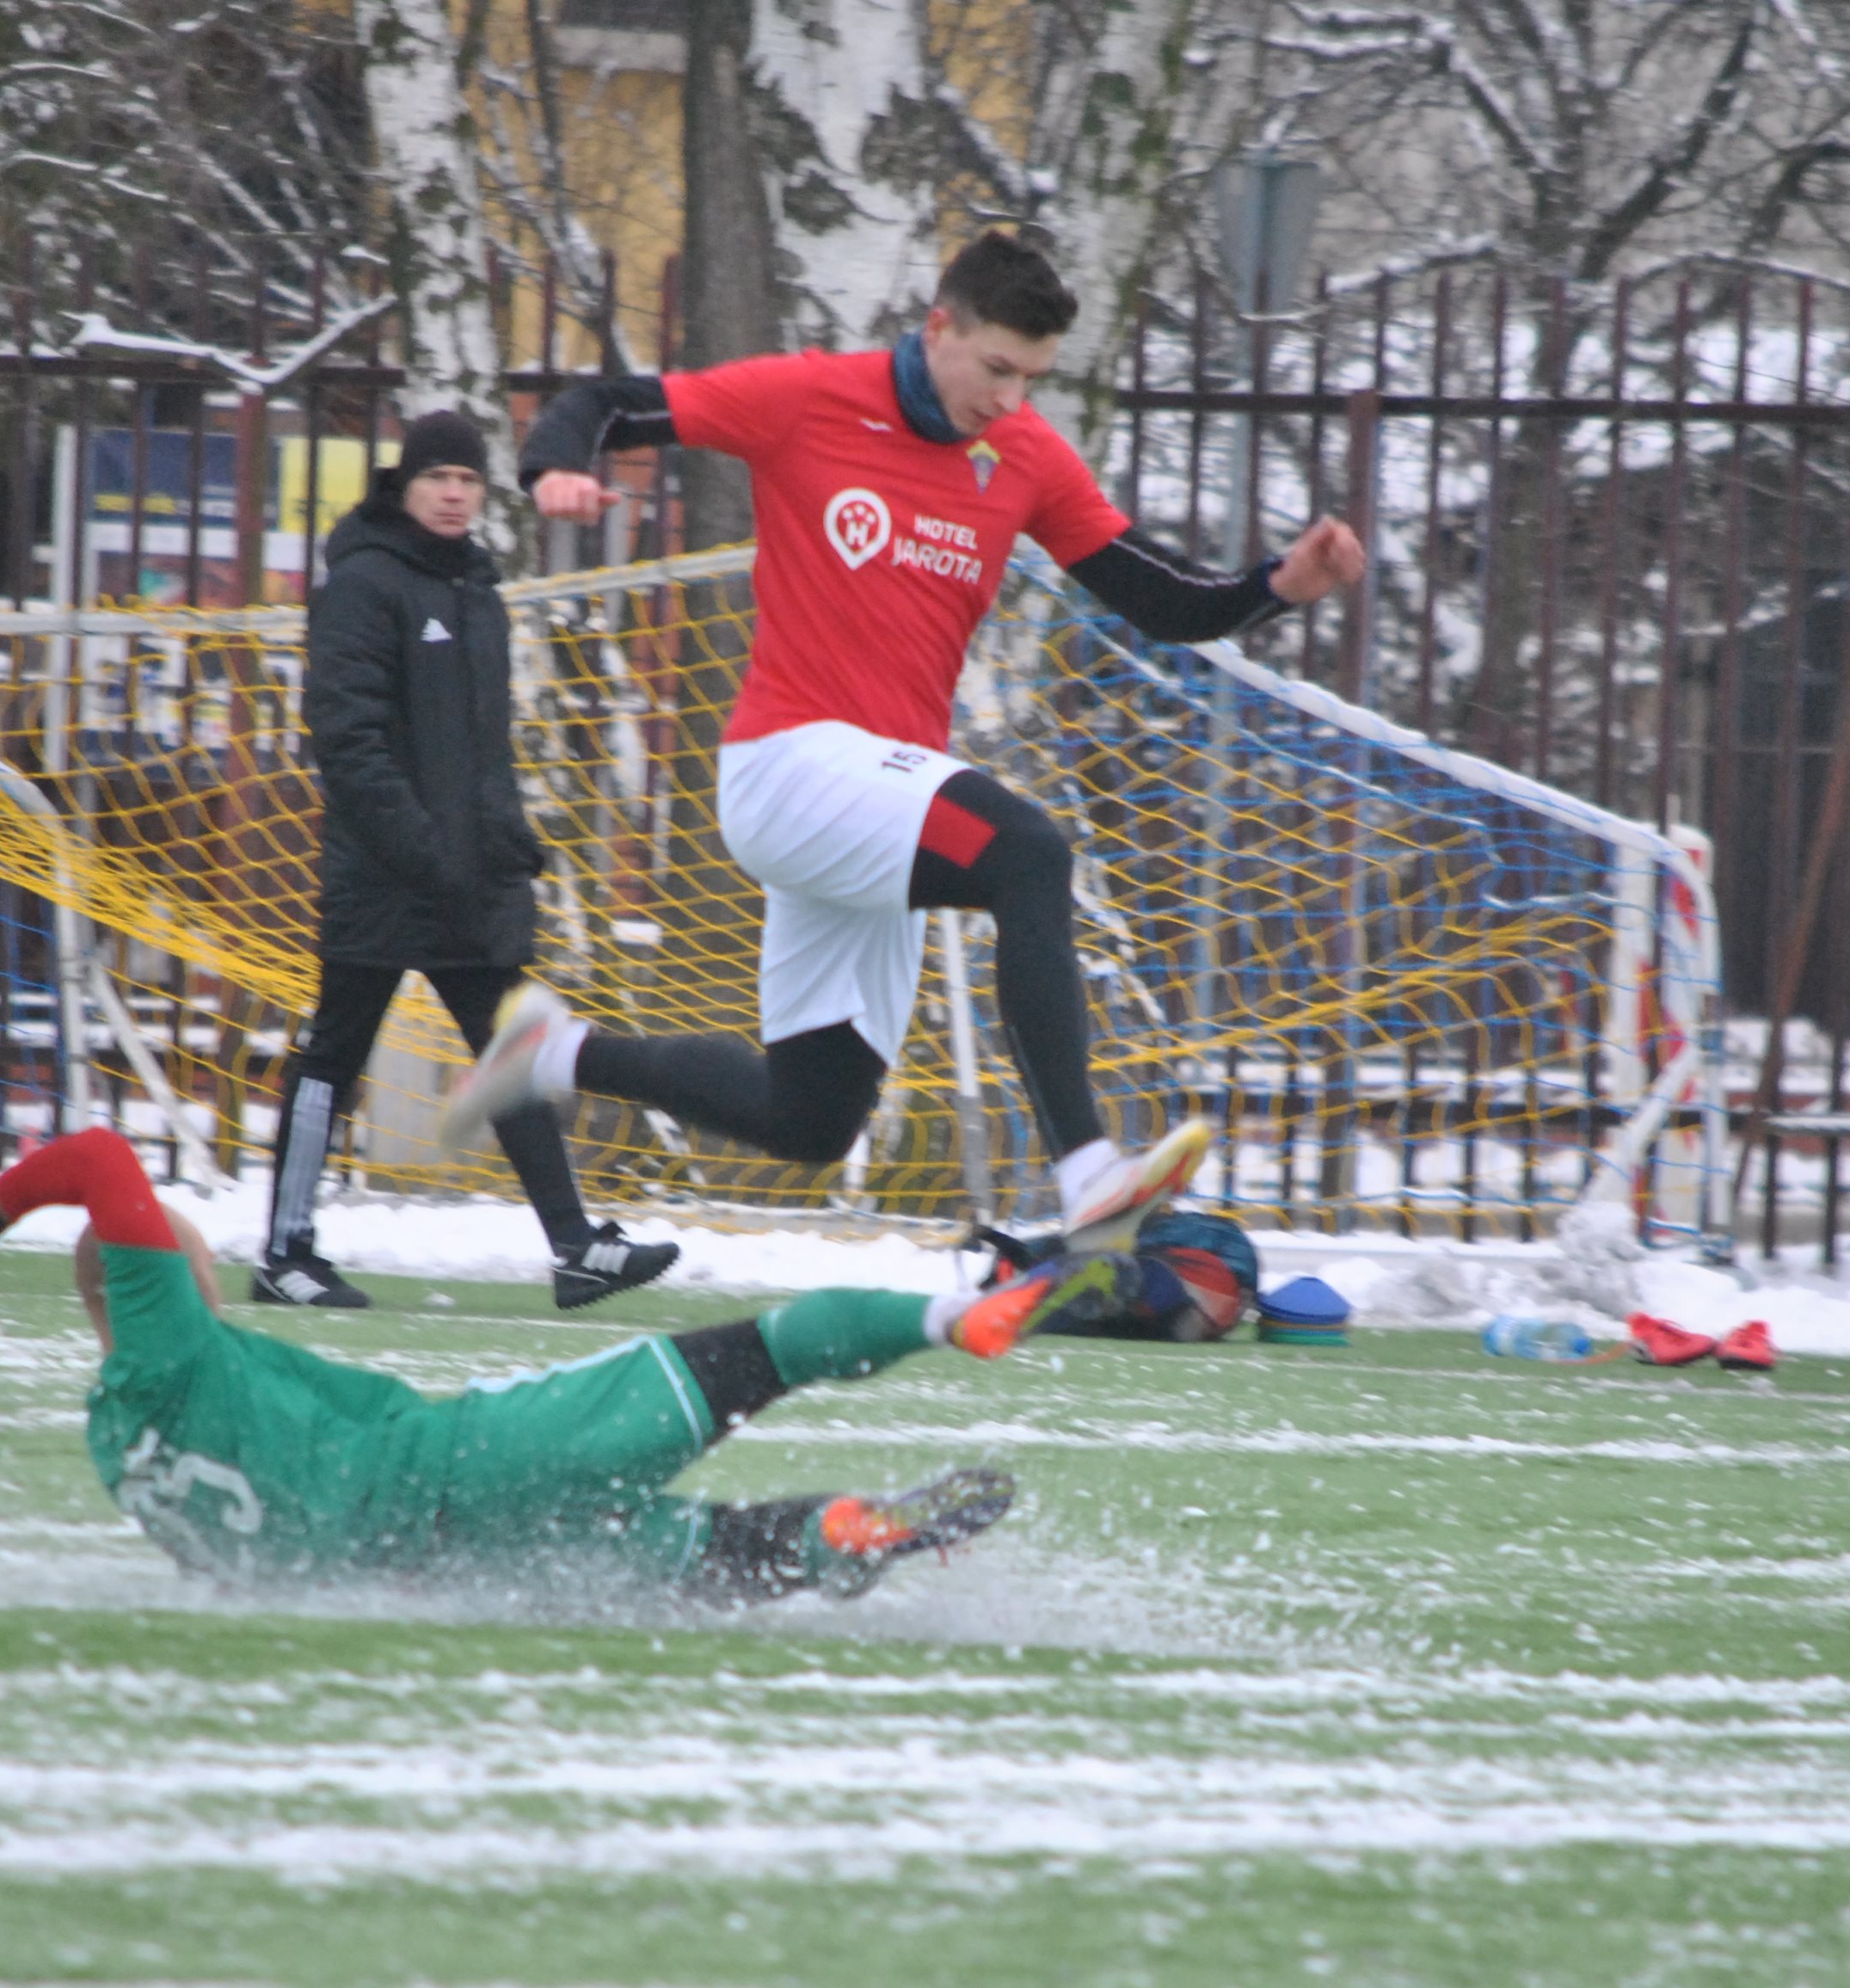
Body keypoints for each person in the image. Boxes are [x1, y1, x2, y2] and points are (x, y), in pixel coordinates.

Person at [446, 227, 1369, 1247]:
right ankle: (1085, 1173)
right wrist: (551, 472)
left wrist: (1277, 587)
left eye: (1033, 378)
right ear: (940, 328)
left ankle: (555, 1053)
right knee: (1027, 852)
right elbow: (599, 404)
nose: (1010, 399)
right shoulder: (807, 396)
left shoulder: (1021, 454)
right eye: (996, 367)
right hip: (789, 765)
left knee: (810, 1116)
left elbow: (1157, 596)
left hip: (878, 803)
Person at [0, 1129, 1123, 1601]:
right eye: (194, 1262)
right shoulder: (174, 1341)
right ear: (157, 1288)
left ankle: (836, 1539)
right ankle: (953, 1317)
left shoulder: (115, 1445)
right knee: (749, 1359)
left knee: (712, 1559)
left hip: (448, 1568)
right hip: (467, 1459)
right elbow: (95, 1160)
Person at [259, 407, 679, 1313]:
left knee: (513, 1054)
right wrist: (422, 848)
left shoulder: (475, 590)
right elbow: (348, 739)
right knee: (333, 1055)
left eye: (467, 483)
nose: (453, 495)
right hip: (382, 878)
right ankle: (284, 1253)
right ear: (403, 486)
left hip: (464, 883)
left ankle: (574, 1249)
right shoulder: (365, 585)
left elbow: (481, 750)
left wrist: (502, 840)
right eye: (436, 479)